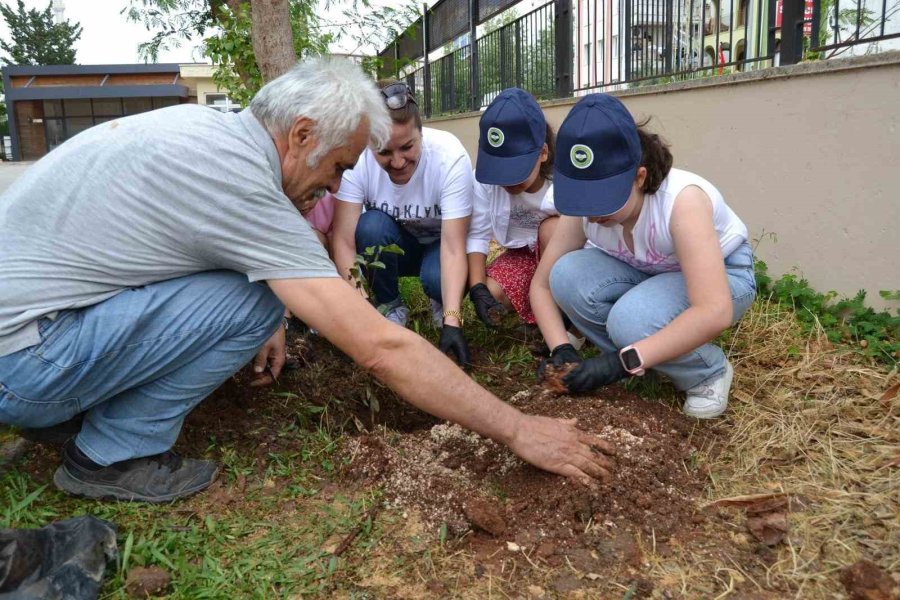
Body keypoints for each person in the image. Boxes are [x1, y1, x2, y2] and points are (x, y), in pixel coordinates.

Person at [0, 57, 614, 503]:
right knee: (250, 299)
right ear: (300, 134)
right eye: (339, 165)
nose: (336, 184)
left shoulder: (211, 136)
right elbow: (380, 346)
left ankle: (72, 406)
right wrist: (517, 427)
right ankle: (109, 455)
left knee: (262, 299)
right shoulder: (241, 180)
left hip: (31, 332)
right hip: (25, 361)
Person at [531, 93, 756, 418]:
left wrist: (622, 363)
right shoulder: (583, 208)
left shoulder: (681, 202)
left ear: (639, 176)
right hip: (648, 269)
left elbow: (714, 309)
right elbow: (543, 286)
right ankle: (649, 353)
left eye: (601, 200)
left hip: (724, 276)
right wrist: (561, 349)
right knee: (565, 274)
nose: (591, 215)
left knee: (631, 321)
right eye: (583, 198)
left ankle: (706, 371)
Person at [331, 81, 473, 367]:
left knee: (436, 278)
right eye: (384, 152)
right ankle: (390, 304)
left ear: (421, 133)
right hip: (397, 244)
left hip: (440, 244)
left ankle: (441, 300)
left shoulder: (449, 157)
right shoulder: (357, 160)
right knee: (370, 226)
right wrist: (360, 309)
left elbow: (455, 247)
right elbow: (343, 240)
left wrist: (452, 322)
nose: (397, 162)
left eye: (407, 147)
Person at [467, 88, 559, 329]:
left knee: (553, 228)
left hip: (561, 256)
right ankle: (537, 306)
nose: (507, 181)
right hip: (522, 256)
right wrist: (478, 288)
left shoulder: (561, 184)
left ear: (542, 153)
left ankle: (562, 318)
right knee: (492, 292)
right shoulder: (483, 182)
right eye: (499, 171)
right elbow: (477, 234)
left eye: (516, 171)